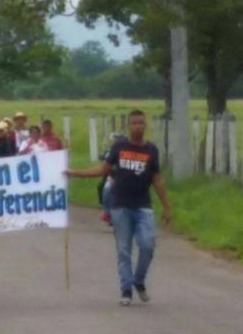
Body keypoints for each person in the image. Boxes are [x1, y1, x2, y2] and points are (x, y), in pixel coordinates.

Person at [65, 110, 170, 306]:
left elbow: (157, 179)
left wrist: (166, 206)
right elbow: (102, 170)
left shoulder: (151, 150)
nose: (137, 126)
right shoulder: (119, 146)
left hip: (143, 206)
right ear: (129, 126)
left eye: (140, 123)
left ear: (145, 125)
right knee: (123, 250)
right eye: (134, 123)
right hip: (120, 206)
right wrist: (75, 173)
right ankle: (126, 289)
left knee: (147, 245)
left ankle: (139, 280)